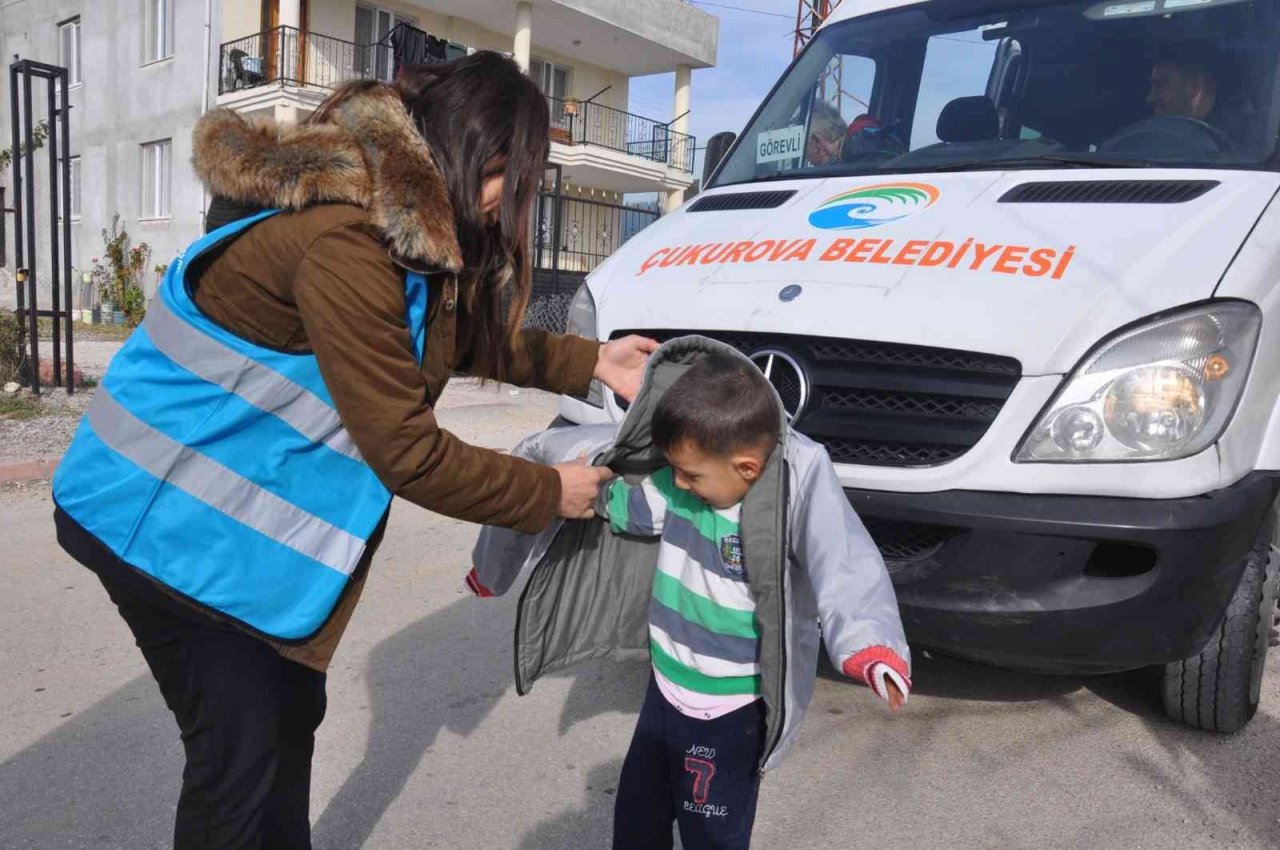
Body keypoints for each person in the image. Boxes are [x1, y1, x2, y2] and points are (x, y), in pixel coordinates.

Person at [52, 52, 655, 849]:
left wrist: (591, 361)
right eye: (523, 177)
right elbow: (408, 452)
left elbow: (450, 341)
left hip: (208, 533)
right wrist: (551, 493)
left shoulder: (399, 232)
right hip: (153, 527)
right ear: (484, 154)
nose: (521, 199)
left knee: (285, 720)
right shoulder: (347, 243)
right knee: (238, 765)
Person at [467, 344, 911, 850]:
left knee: (711, 832)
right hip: (666, 685)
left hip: (731, 709)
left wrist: (871, 648)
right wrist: (583, 489)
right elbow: (629, 507)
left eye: (691, 475)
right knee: (637, 815)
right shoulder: (677, 487)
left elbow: (843, 557)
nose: (677, 481)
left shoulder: (780, 505)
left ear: (746, 467)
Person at [1147, 42, 1250, 145]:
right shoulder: (1147, 140)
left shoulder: (1244, 143)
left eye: (1160, 85)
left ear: (1193, 86)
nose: (1150, 98)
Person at [804, 99, 847, 166]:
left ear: (818, 143)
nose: (804, 151)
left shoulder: (822, 174)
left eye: (806, 143)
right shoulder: (851, 167)